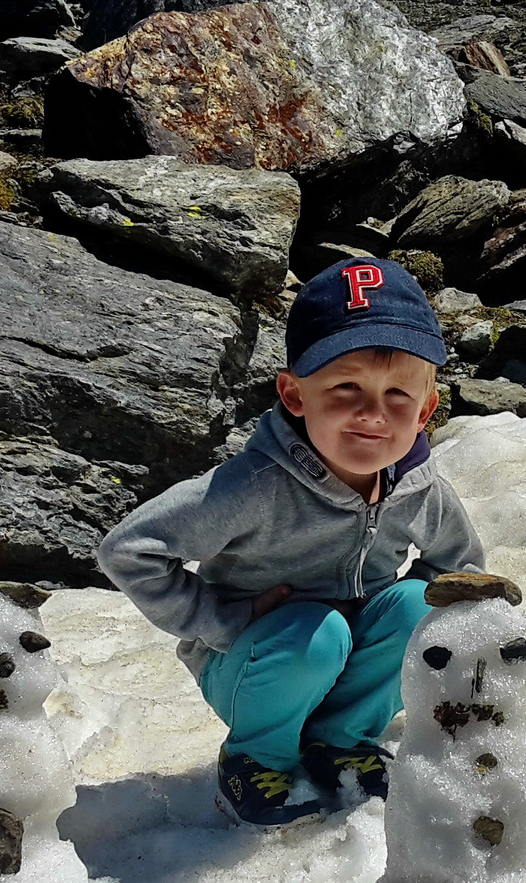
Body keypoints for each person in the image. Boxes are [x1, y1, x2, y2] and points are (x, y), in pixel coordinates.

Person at [96, 258, 487, 827]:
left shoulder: (422, 488)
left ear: (427, 410)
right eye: (346, 386)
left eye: (398, 394)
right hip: (253, 667)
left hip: (346, 660)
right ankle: (254, 760)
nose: (372, 414)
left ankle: (342, 738)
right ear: (295, 395)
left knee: (417, 608)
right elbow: (128, 550)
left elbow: (461, 570)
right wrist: (220, 619)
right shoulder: (253, 486)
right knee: (317, 633)